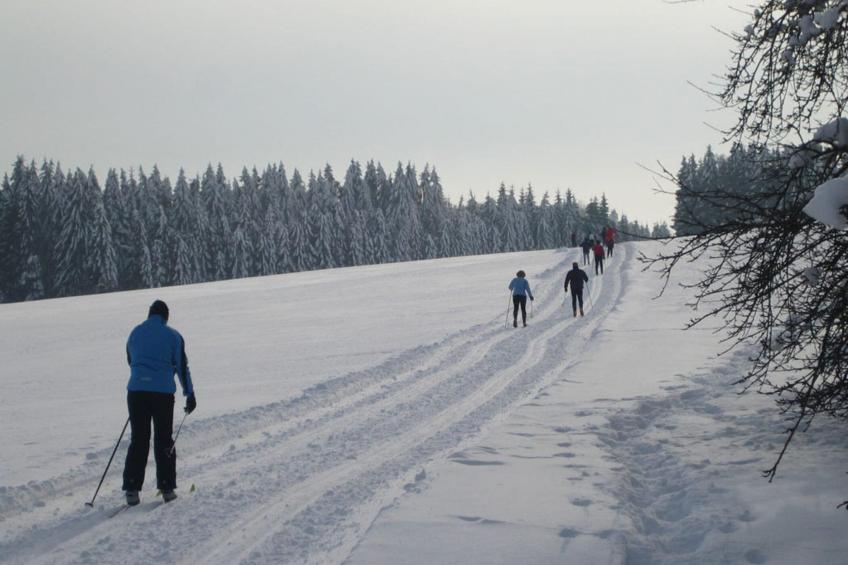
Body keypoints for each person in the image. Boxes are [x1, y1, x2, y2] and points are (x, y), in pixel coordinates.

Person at [122, 300, 196, 506]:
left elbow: (131, 359)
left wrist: (142, 379)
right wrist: (189, 394)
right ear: (166, 316)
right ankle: (166, 488)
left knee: (139, 438)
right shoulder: (173, 336)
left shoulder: (135, 333)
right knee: (164, 438)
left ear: (149, 314)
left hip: (136, 392)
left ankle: (131, 488)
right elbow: (182, 366)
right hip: (162, 394)